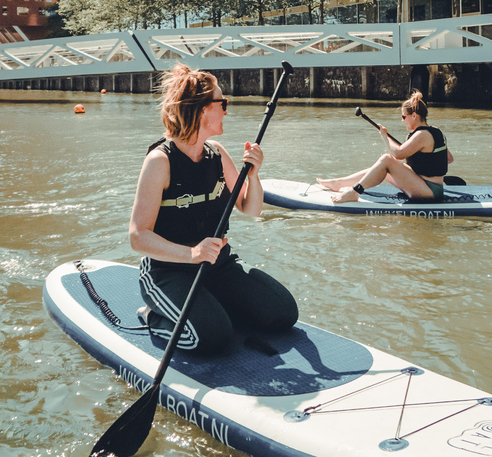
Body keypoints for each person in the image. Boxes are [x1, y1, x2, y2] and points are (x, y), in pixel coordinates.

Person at [129, 64, 298, 356]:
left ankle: (214, 307)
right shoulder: (160, 161)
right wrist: (191, 254)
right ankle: (154, 315)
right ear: (202, 109)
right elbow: (138, 236)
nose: (227, 110)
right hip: (168, 272)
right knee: (211, 338)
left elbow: (250, 208)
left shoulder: (217, 154)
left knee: (282, 313)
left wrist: (254, 175)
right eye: (223, 103)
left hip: (217, 267)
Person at [317, 91, 454, 203]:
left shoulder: (421, 135)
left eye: (403, 116)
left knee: (387, 160)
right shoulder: (436, 132)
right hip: (430, 186)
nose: (402, 120)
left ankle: (354, 192)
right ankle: (339, 183)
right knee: (382, 167)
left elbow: (398, 154)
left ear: (414, 115)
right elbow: (448, 158)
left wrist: (384, 136)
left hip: (429, 192)